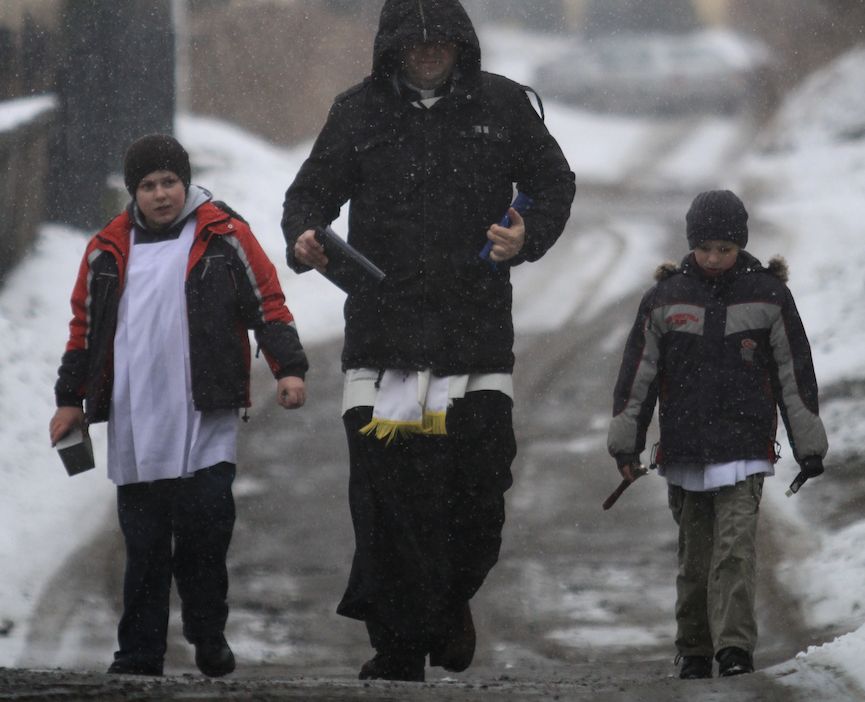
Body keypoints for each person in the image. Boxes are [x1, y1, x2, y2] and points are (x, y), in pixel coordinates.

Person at [281, 0, 575, 683]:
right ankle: (397, 648)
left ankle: (445, 602)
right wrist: (303, 239)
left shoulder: (500, 106)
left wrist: (527, 235)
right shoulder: (357, 112)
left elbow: (553, 183)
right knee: (389, 500)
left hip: (473, 337)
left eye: (439, 42)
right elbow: (307, 199)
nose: (426, 54)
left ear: (460, 43)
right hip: (385, 340)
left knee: (479, 495)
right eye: (413, 46)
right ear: (390, 49)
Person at [49, 134, 309, 678]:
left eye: (170, 182)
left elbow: (267, 302)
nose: (161, 194)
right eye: (148, 185)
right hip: (135, 418)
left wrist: (288, 369)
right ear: (133, 192)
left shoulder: (224, 234)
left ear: (185, 183)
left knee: (204, 534)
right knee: (143, 546)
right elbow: (85, 330)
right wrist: (68, 400)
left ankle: (206, 632)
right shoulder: (107, 249)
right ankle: (139, 653)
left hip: (203, 414)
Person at [607, 190, 828, 679]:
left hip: (744, 451)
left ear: (740, 246)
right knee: (694, 560)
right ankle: (693, 650)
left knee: (735, 552)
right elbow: (638, 377)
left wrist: (808, 446)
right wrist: (627, 442)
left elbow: (795, 374)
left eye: (724, 249)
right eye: (705, 247)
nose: (713, 258)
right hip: (684, 451)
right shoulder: (665, 299)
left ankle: (733, 651)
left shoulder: (768, 296)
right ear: (691, 244)